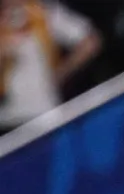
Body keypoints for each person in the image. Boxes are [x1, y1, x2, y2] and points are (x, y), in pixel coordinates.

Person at [0, 0, 99, 132]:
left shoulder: (44, 13)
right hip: (6, 119)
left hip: (44, 113)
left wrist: (61, 73)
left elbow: (90, 42)